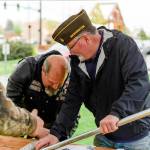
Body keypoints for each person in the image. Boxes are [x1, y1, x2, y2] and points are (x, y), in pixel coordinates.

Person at [35, 9, 150, 150]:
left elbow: (139, 84)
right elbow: (73, 98)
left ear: (86, 39)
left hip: (136, 137)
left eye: (70, 46)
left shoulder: (123, 45)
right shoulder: (77, 60)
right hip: (105, 136)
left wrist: (116, 113)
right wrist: (56, 134)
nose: (70, 52)